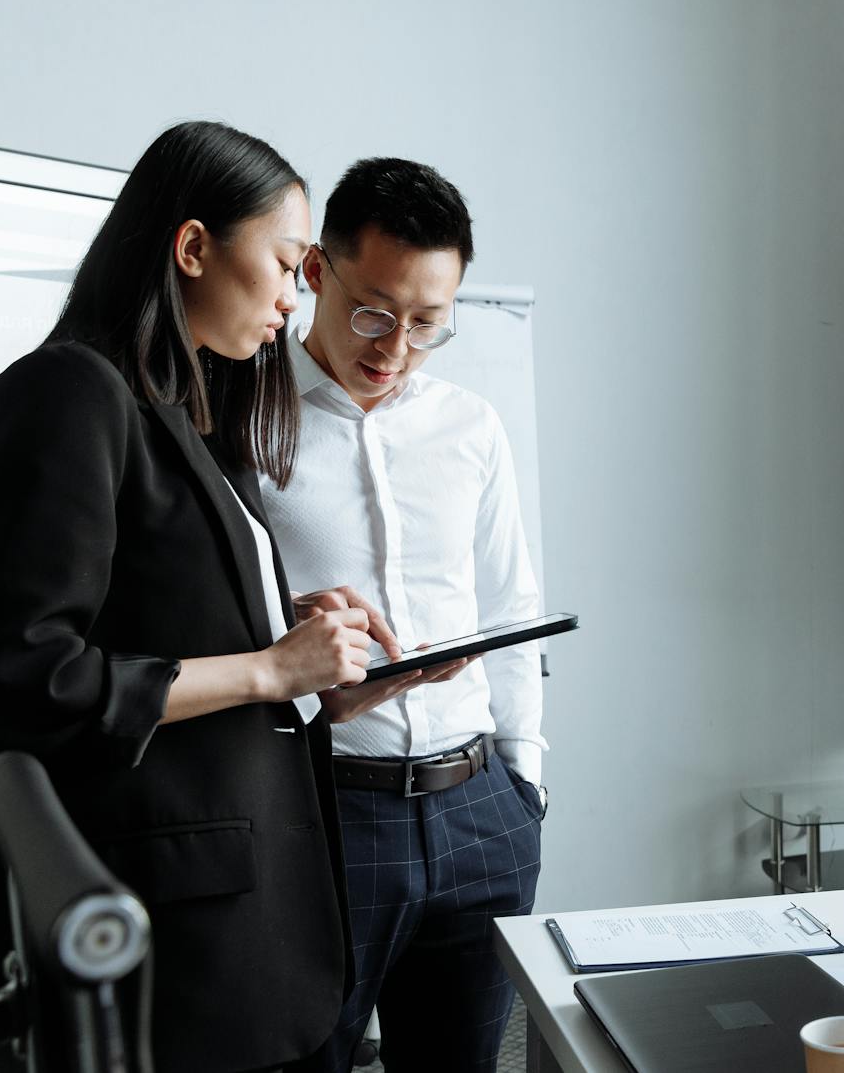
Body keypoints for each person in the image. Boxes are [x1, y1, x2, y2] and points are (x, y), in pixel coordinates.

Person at [0, 121, 409, 1072]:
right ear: (192, 247)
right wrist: (271, 665)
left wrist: (308, 669)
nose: (292, 297)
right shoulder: (69, 395)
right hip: (166, 940)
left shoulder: (182, 415)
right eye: (284, 264)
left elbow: (174, 641)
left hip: (247, 919)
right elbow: (25, 678)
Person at [260, 158, 546, 1072]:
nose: (395, 346)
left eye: (427, 323)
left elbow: (511, 604)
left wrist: (527, 783)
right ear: (314, 272)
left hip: (482, 812)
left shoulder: (472, 424)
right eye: (374, 312)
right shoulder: (241, 424)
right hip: (327, 813)